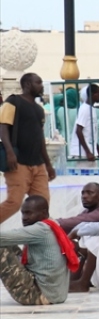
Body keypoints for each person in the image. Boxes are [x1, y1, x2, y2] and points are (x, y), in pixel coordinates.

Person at [0, 73, 57, 224]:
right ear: (27, 84)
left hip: (38, 165)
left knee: (42, 206)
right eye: (38, 82)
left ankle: (35, 241)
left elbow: (40, 139)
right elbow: (3, 127)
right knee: (14, 203)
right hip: (18, 164)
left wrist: (48, 165)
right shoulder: (13, 101)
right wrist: (10, 152)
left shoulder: (39, 110)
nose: (42, 86)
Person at [0, 196, 77, 305]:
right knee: (9, 244)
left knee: (1, 248)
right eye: (23, 213)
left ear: (43, 213)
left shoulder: (41, 229)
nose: (24, 218)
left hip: (41, 296)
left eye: (28, 213)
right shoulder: (51, 224)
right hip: (56, 295)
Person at [70, 82, 99, 162]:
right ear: (92, 94)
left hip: (90, 150)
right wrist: (88, 152)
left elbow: (91, 132)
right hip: (83, 153)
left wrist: (97, 148)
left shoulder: (91, 109)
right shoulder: (84, 109)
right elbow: (78, 130)